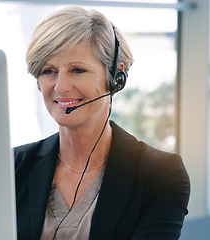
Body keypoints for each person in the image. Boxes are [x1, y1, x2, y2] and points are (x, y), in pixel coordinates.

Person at [14, 6, 190, 240]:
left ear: (115, 78)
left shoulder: (160, 174)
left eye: (77, 70)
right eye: (49, 71)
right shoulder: (12, 166)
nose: (60, 86)